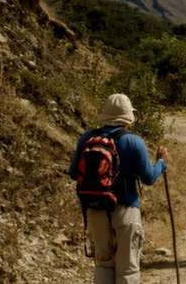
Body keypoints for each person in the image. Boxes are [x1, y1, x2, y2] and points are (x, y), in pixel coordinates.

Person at [69, 93, 169, 284]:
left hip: (95, 211)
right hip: (126, 210)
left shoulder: (87, 138)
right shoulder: (133, 141)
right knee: (128, 268)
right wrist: (162, 163)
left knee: (103, 265)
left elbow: (74, 173)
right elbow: (148, 177)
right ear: (127, 116)